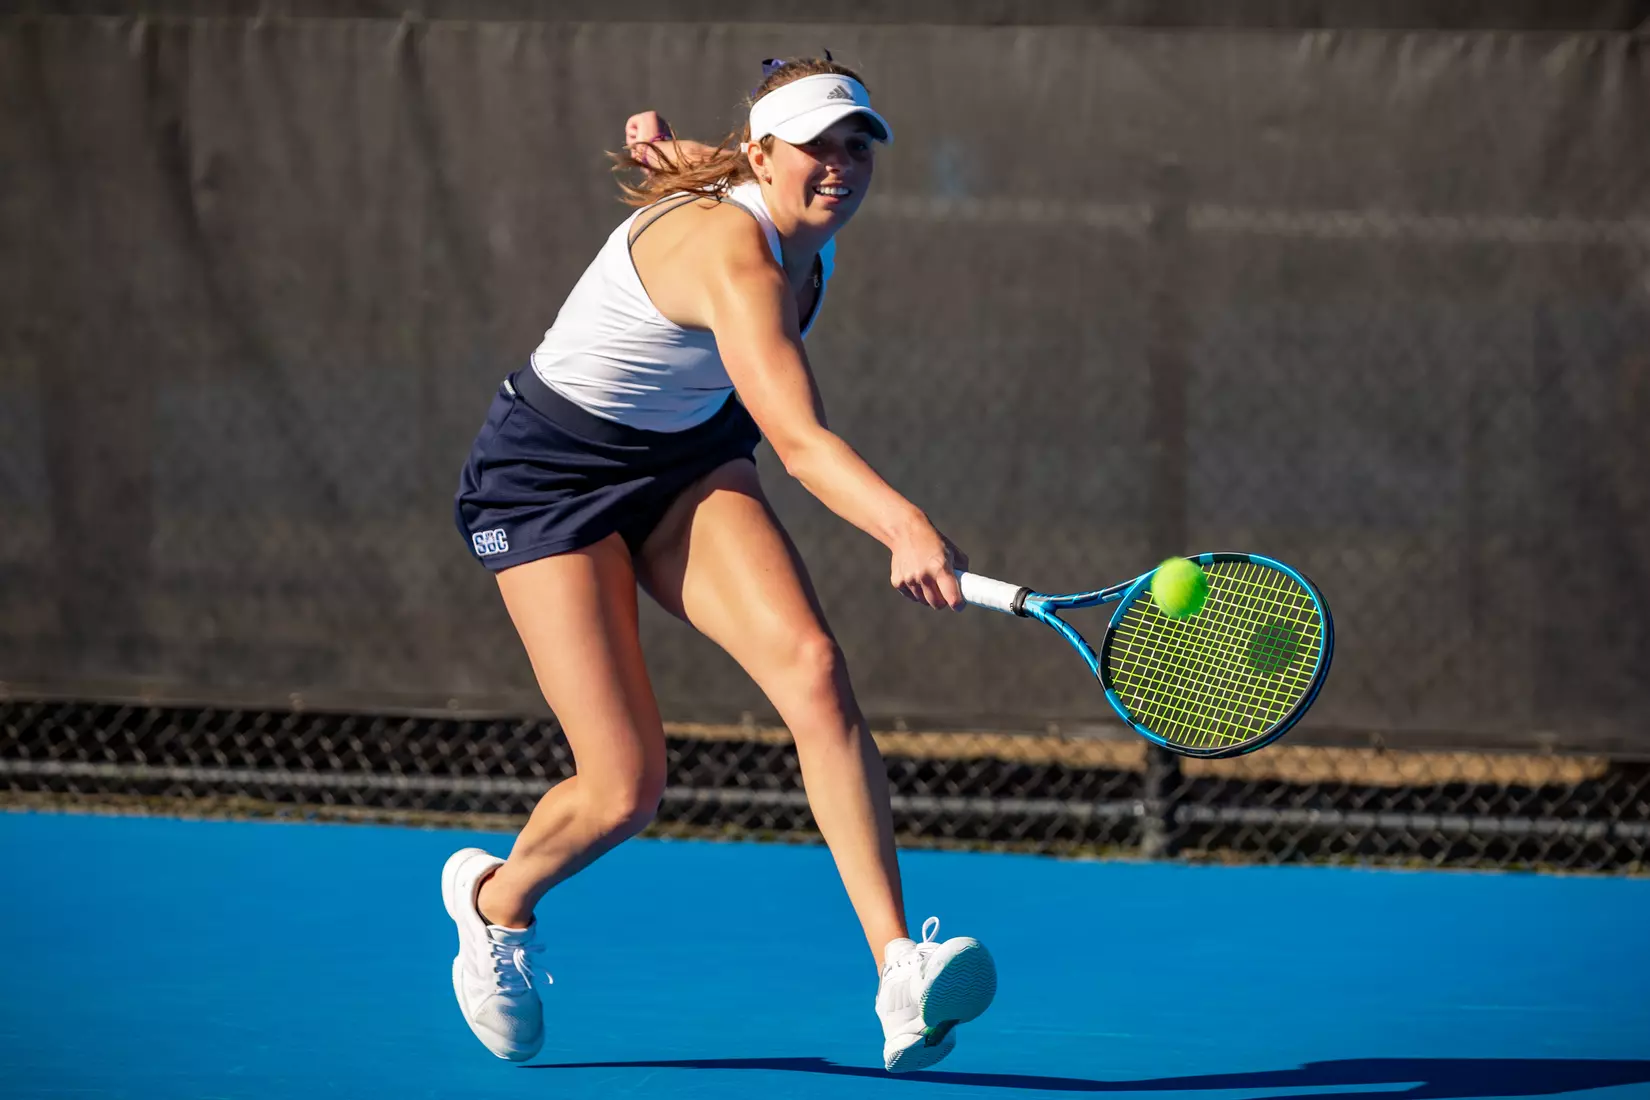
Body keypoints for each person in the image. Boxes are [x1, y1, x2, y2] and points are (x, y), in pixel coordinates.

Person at [444, 56, 996, 1074]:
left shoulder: (783, 209)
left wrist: (662, 151)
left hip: (687, 458)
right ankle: (494, 901)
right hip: (548, 479)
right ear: (766, 155)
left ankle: (897, 969)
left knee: (815, 671)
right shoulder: (738, 258)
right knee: (626, 787)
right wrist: (904, 525)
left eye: (857, 144)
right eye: (817, 146)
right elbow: (799, 444)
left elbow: (710, 161)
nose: (840, 165)